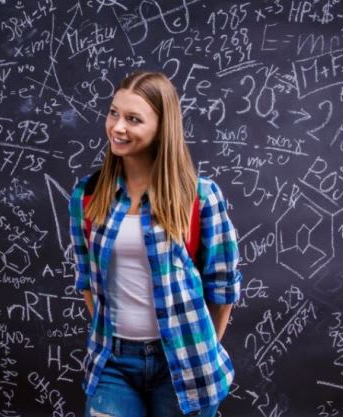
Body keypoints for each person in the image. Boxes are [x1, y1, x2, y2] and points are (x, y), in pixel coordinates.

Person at [68, 71, 242, 417]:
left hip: (184, 364)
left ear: (163, 128)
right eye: (114, 113)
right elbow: (87, 279)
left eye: (133, 119)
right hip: (113, 363)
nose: (118, 127)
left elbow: (223, 289)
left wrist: (198, 350)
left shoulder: (200, 196)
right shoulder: (88, 194)